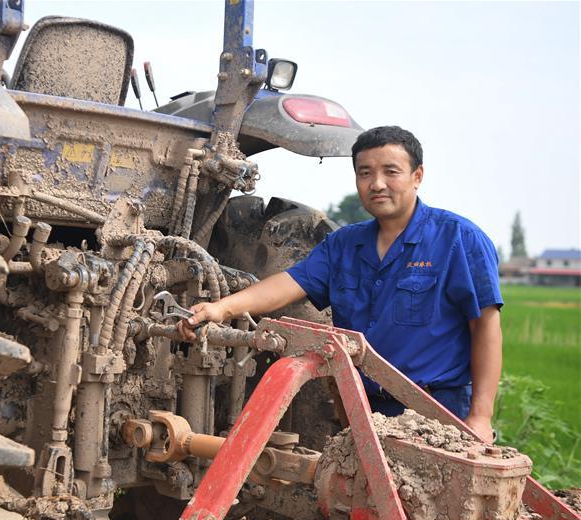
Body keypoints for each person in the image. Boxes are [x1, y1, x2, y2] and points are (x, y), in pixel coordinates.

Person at [178, 126, 502, 443]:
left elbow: (486, 326)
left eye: (391, 172)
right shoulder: (345, 244)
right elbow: (291, 283)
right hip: (362, 410)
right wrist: (222, 307)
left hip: (435, 412)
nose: (377, 184)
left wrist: (480, 417)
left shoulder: (459, 239)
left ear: (417, 176)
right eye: (365, 173)